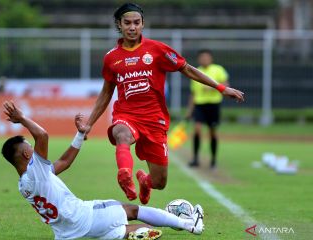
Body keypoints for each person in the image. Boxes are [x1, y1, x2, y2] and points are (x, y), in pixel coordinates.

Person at [83, 2, 244, 205]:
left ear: (142, 24)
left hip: (154, 120)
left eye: (136, 22)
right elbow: (106, 93)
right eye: (127, 23)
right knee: (121, 133)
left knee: (159, 182)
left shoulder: (157, 50)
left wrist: (221, 88)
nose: (132, 27)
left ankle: (144, 180)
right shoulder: (111, 58)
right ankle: (124, 174)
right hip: (127, 115)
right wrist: (89, 123)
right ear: (119, 24)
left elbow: (188, 69)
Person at [1, 101, 204, 240]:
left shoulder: (26, 183)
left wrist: (80, 135)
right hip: (83, 216)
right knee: (132, 210)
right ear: (27, 154)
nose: (32, 148)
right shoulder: (36, 170)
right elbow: (43, 135)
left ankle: (134, 233)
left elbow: (64, 161)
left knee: (138, 230)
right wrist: (22, 118)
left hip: (67, 232)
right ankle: (190, 225)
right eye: (28, 146)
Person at [186, 49, 229, 169]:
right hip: (200, 105)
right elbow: (193, 93)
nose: (204, 59)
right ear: (199, 59)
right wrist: (190, 110)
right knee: (197, 130)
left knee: (212, 132)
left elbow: (226, 85)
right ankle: (195, 158)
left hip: (213, 105)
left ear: (211, 58)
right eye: (202, 57)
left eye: (207, 57)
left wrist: (213, 87)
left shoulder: (218, 69)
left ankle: (213, 160)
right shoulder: (196, 71)